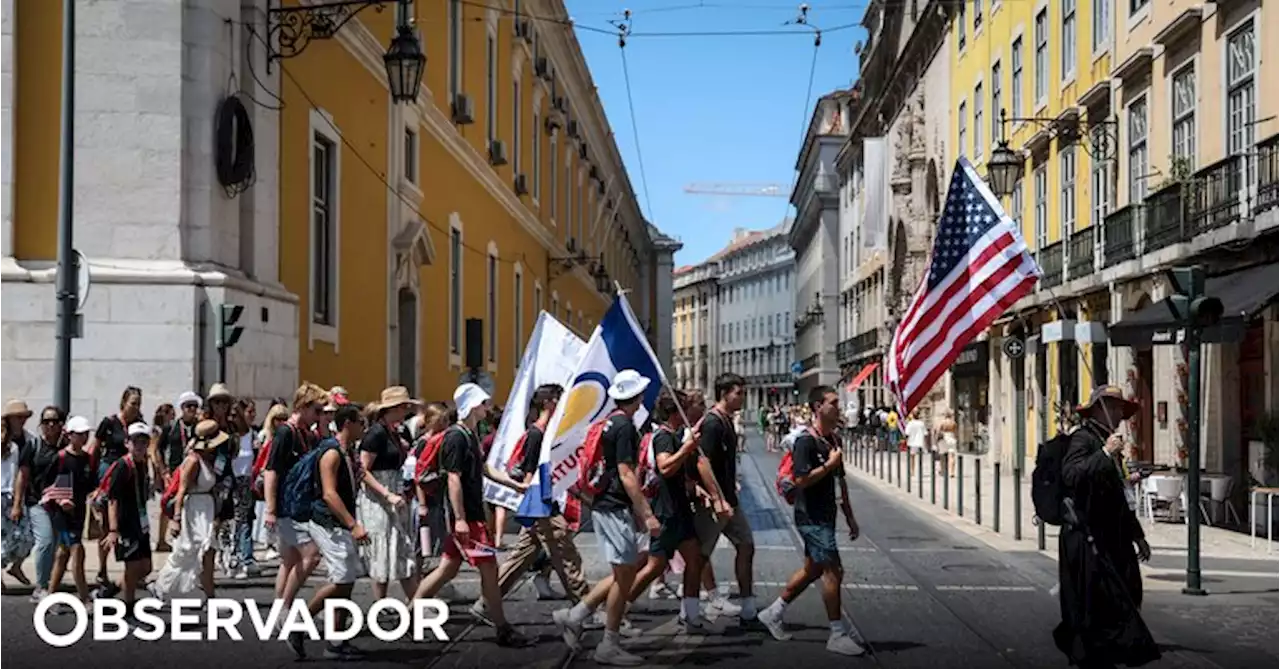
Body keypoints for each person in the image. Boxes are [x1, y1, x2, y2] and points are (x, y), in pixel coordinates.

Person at [551, 370, 660, 665]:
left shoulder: (609, 422)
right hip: (613, 506)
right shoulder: (624, 426)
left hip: (606, 504)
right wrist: (646, 514)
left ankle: (576, 615)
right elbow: (625, 473)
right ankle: (608, 644)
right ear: (636, 397)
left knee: (623, 571)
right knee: (625, 575)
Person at [412, 383, 532, 648]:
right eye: (483, 403)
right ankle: (502, 627)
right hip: (467, 516)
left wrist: (516, 485)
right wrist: (461, 518)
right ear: (471, 405)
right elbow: (453, 478)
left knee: (447, 568)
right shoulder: (456, 437)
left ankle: (411, 612)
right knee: (489, 569)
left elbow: (485, 469)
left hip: (467, 515)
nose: (487, 407)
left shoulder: (470, 434)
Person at [1054, 385, 1159, 669]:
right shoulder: (1084, 439)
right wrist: (1103, 453)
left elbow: (1117, 495)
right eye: (1113, 407)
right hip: (1088, 537)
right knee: (1096, 600)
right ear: (1099, 410)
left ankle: (1109, 651)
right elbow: (1072, 475)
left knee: (1127, 591)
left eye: (1120, 409)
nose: (1118, 414)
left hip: (1113, 535)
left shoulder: (1109, 442)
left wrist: (1137, 535)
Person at [757, 385, 865, 656]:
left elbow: (841, 482)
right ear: (818, 407)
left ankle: (773, 612)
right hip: (810, 516)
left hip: (826, 514)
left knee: (813, 569)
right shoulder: (805, 442)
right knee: (833, 571)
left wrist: (850, 517)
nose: (838, 407)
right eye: (833, 403)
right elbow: (801, 480)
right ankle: (837, 633)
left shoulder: (834, 440)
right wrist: (828, 465)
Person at [475, 384, 589, 624]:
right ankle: (585, 607)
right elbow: (529, 473)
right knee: (566, 554)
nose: (563, 405)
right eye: (559, 399)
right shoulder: (537, 434)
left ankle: (486, 603)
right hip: (541, 503)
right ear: (548, 403)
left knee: (521, 557)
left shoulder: (547, 433)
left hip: (541, 502)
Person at [626, 388, 714, 632]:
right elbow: (665, 468)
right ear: (674, 411)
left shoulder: (674, 435)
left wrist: (698, 490)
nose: (687, 413)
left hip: (680, 510)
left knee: (694, 560)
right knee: (654, 566)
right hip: (666, 511)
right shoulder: (663, 437)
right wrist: (686, 448)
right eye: (683, 408)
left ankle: (691, 615)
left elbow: (678, 476)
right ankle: (619, 609)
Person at [267, 382, 328, 658]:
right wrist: (270, 509)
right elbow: (271, 471)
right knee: (311, 555)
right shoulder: (285, 433)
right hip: (286, 506)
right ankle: (286, 609)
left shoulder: (308, 434)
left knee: (290, 560)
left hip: (299, 504)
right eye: (317, 410)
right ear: (302, 407)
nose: (320, 415)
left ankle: (280, 611)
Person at [304, 403, 370, 660]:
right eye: (360, 422)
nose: (363, 427)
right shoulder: (331, 453)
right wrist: (353, 525)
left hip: (340, 522)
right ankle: (300, 623)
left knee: (346, 582)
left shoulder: (347, 452)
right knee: (342, 580)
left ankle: (336, 641)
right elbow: (329, 494)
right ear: (347, 424)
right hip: (328, 522)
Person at [694, 372, 754, 622]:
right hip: (714, 502)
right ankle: (693, 606)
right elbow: (702, 462)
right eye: (738, 393)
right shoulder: (713, 423)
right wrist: (717, 498)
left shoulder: (727, 420)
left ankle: (748, 605)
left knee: (746, 545)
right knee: (698, 555)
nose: (742, 398)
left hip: (729, 499)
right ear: (724, 394)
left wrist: (731, 485)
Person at [358, 386, 421, 606]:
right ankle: (390, 603)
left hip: (394, 494)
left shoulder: (393, 432)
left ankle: (410, 602)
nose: (407, 411)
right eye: (405, 406)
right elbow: (362, 470)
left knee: (400, 549)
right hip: (379, 499)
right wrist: (386, 494)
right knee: (384, 550)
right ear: (394, 408)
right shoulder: (375, 433)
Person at [151, 419, 227, 601]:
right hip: (194, 511)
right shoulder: (193, 461)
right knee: (187, 552)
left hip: (205, 509)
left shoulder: (207, 459)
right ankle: (161, 586)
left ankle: (210, 597)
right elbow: (182, 490)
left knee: (207, 553)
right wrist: (176, 518)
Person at [102, 421, 154, 624]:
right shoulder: (123, 466)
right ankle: (129, 608)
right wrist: (113, 530)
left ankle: (111, 590)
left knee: (146, 567)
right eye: (135, 441)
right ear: (127, 443)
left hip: (140, 523)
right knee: (132, 568)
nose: (139, 446)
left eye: (143, 441)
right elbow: (112, 499)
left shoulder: (143, 464)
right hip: (126, 524)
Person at [45, 416, 97, 612]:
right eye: (79, 434)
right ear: (70, 435)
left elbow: (91, 484)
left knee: (62, 554)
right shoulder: (60, 458)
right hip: (63, 514)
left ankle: (50, 596)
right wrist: (60, 499)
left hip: (79, 511)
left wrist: (95, 498)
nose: (84, 437)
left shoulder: (87, 459)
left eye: (86, 434)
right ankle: (84, 598)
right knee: (77, 550)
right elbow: (47, 484)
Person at [154, 392, 201, 553]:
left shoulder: (199, 427)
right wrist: (163, 472)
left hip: (193, 471)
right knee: (168, 503)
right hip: (174, 472)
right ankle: (161, 539)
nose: (192, 410)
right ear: (182, 408)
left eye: (195, 406)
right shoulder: (171, 428)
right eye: (189, 406)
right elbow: (158, 450)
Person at [904, 410, 928, 479]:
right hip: (920, 441)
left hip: (912, 442)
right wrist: (926, 443)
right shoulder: (921, 423)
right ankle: (920, 470)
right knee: (920, 458)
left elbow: (907, 433)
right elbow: (925, 433)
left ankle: (912, 471)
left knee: (912, 457)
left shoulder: (910, 423)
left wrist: (905, 440)